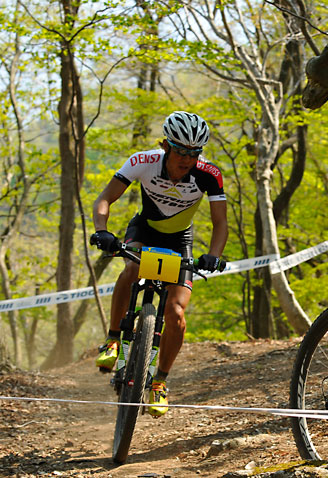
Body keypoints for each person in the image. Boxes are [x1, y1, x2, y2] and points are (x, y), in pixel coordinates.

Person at [91, 111, 228, 417]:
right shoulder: (143, 162)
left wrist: (214, 255)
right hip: (144, 230)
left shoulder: (209, 175)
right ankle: (113, 339)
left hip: (180, 240)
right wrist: (102, 231)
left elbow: (220, 224)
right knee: (133, 268)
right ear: (166, 145)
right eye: (180, 151)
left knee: (177, 313)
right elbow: (105, 199)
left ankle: (160, 381)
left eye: (194, 153)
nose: (187, 159)